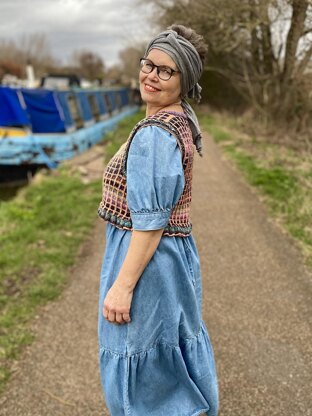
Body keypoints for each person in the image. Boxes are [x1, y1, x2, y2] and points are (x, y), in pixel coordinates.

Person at [97, 24, 219, 416]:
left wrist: (122, 286)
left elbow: (149, 223)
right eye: (149, 63)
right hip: (170, 259)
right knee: (168, 368)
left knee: (142, 374)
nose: (151, 75)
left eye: (166, 71)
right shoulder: (180, 119)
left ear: (185, 81)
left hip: (148, 263)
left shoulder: (156, 135)